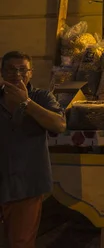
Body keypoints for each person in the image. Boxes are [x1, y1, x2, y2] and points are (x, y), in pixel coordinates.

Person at [0, 51, 66, 248]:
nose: (17, 74)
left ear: (31, 73)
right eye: (11, 69)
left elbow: (59, 125)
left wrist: (26, 103)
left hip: (27, 185)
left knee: (21, 242)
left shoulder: (42, 97)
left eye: (22, 70)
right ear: (2, 72)